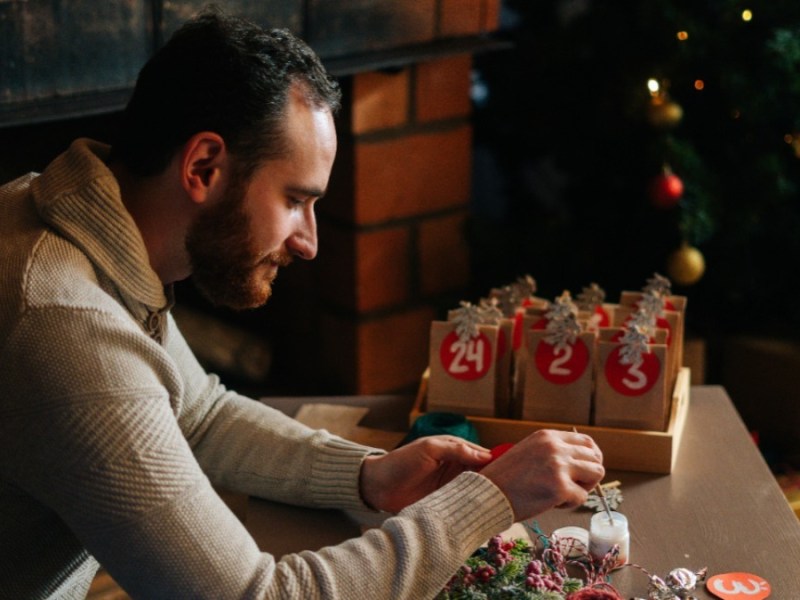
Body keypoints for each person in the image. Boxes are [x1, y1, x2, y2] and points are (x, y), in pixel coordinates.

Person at [0, 9, 605, 599]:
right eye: (295, 199)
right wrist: (487, 501)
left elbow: (200, 413)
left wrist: (368, 475)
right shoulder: (66, 326)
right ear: (204, 167)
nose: (309, 243)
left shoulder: (72, 218)